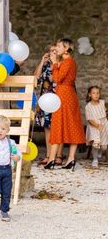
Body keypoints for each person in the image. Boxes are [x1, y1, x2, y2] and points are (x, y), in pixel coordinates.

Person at [44, 38, 86, 171]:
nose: (56, 47)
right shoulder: (68, 61)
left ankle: (54, 159)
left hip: (65, 95)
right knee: (67, 125)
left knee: (59, 124)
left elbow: (57, 79)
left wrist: (55, 63)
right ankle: (69, 159)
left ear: (66, 49)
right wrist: (56, 63)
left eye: (59, 45)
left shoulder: (67, 62)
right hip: (65, 94)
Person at [33, 44, 61, 165]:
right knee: (47, 127)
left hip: (58, 98)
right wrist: (41, 62)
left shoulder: (61, 64)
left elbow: (58, 79)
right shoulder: (45, 65)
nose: (53, 52)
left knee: (58, 127)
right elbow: (35, 78)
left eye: (56, 50)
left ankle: (58, 156)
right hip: (45, 100)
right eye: (51, 50)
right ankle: (49, 155)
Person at [85, 86, 108, 168]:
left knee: (104, 146)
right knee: (95, 144)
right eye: (94, 93)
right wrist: (97, 125)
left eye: (98, 93)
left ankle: (100, 151)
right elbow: (89, 119)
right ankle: (95, 159)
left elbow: (105, 112)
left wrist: (104, 122)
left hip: (103, 123)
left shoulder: (102, 102)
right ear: (90, 95)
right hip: (93, 125)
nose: (96, 95)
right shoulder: (88, 106)